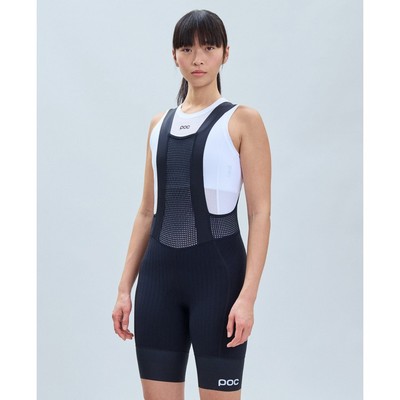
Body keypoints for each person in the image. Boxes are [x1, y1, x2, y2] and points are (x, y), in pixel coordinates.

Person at [112, 9, 271, 400]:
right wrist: (124, 289)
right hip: (157, 284)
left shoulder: (243, 121)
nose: (198, 58)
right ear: (174, 56)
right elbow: (146, 212)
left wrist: (248, 297)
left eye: (209, 47)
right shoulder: (158, 124)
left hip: (219, 283)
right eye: (187, 49)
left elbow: (259, 213)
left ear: (225, 53)